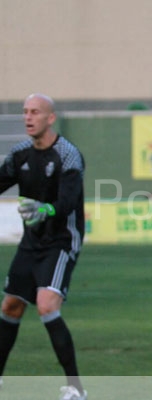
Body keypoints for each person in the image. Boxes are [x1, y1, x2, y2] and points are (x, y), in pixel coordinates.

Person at [0, 94, 87, 400]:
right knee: (10, 306)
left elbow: (67, 203)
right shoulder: (20, 153)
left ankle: (76, 389)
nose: (28, 117)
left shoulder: (68, 155)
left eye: (35, 112)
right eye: (25, 112)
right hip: (31, 242)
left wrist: (45, 210)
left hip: (61, 240)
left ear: (50, 118)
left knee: (46, 304)